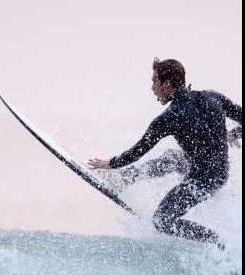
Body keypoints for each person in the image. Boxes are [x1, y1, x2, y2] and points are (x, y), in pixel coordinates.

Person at [88, 58, 242, 249]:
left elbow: (138, 151)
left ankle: (218, 244)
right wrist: (232, 134)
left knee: (162, 220)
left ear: (167, 84)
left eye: (155, 82)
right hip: (219, 174)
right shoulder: (213, 97)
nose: (153, 88)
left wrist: (110, 163)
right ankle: (126, 178)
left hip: (202, 181)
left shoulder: (169, 117)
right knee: (172, 158)